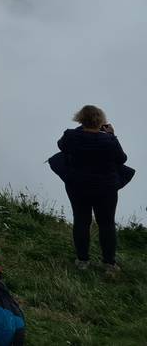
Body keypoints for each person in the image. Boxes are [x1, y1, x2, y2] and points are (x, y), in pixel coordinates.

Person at [57, 105, 127, 271]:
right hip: (106, 189)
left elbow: (62, 146)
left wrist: (82, 128)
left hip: (77, 186)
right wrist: (111, 134)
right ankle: (109, 263)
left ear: (80, 118)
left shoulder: (70, 135)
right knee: (107, 224)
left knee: (81, 221)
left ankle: (82, 261)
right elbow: (122, 159)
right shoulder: (109, 140)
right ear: (101, 121)